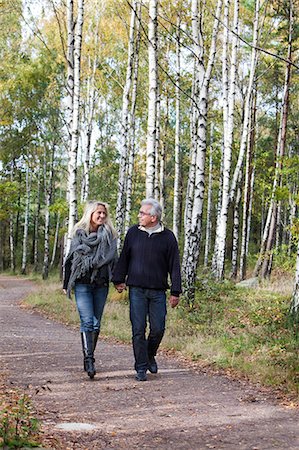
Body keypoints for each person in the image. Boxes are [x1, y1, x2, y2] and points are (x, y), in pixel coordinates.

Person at [112, 198, 182, 381]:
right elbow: (124, 258)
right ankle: (141, 367)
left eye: (142, 213)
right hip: (136, 290)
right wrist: (118, 279)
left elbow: (174, 266)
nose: (139, 215)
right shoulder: (133, 233)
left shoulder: (168, 237)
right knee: (138, 328)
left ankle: (149, 355)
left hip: (158, 292)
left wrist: (176, 291)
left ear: (153, 217)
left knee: (158, 328)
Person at [63, 200, 118, 379]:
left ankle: (89, 355)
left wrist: (118, 280)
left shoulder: (110, 236)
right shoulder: (79, 234)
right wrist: (66, 284)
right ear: (90, 215)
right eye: (98, 213)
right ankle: (89, 359)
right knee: (88, 321)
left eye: (104, 213)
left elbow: (114, 260)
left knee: (96, 323)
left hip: (101, 284)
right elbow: (70, 259)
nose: (102, 216)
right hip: (82, 283)